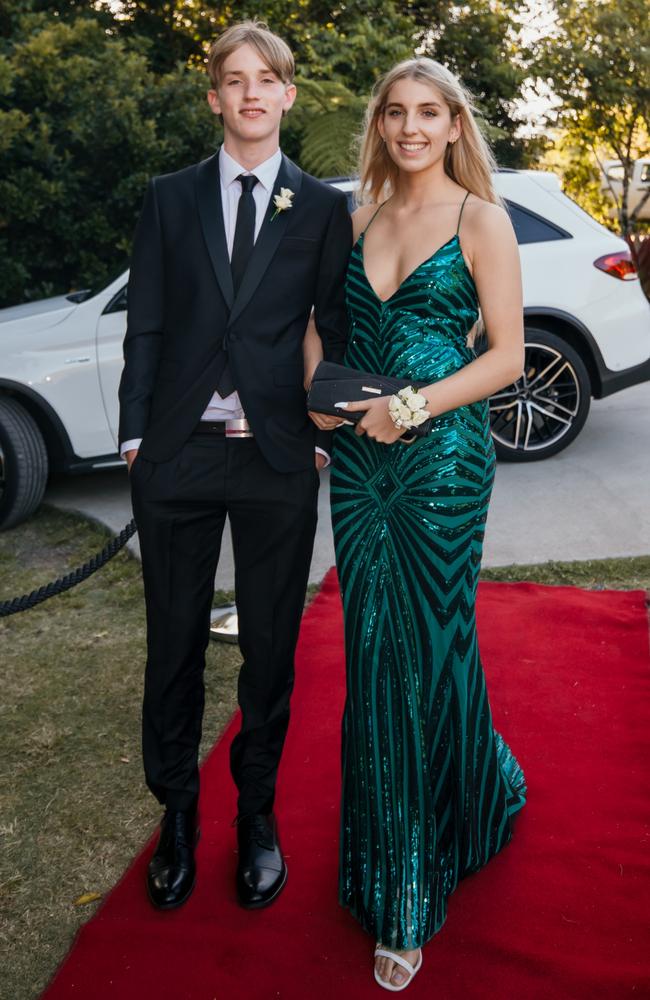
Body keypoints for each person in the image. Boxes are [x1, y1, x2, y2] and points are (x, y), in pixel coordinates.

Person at [118, 20, 351, 912]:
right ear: (214, 96)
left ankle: (257, 816)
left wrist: (322, 428)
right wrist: (137, 438)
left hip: (277, 460)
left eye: (267, 79)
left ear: (288, 94)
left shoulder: (321, 208)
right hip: (175, 456)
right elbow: (145, 321)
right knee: (172, 645)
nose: (251, 93)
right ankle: (178, 816)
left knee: (270, 653)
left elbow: (331, 324)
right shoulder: (170, 198)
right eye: (234, 79)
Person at [308, 57, 527, 990]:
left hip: (442, 461)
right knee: (374, 645)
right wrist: (316, 395)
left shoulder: (482, 219)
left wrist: (418, 406)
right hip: (359, 465)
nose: (410, 127)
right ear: (381, 125)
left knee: (431, 641)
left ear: (452, 124)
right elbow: (328, 333)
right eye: (395, 112)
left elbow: (510, 357)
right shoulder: (353, 220)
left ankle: (409, 886)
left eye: (428, 112)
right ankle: (460, 802)